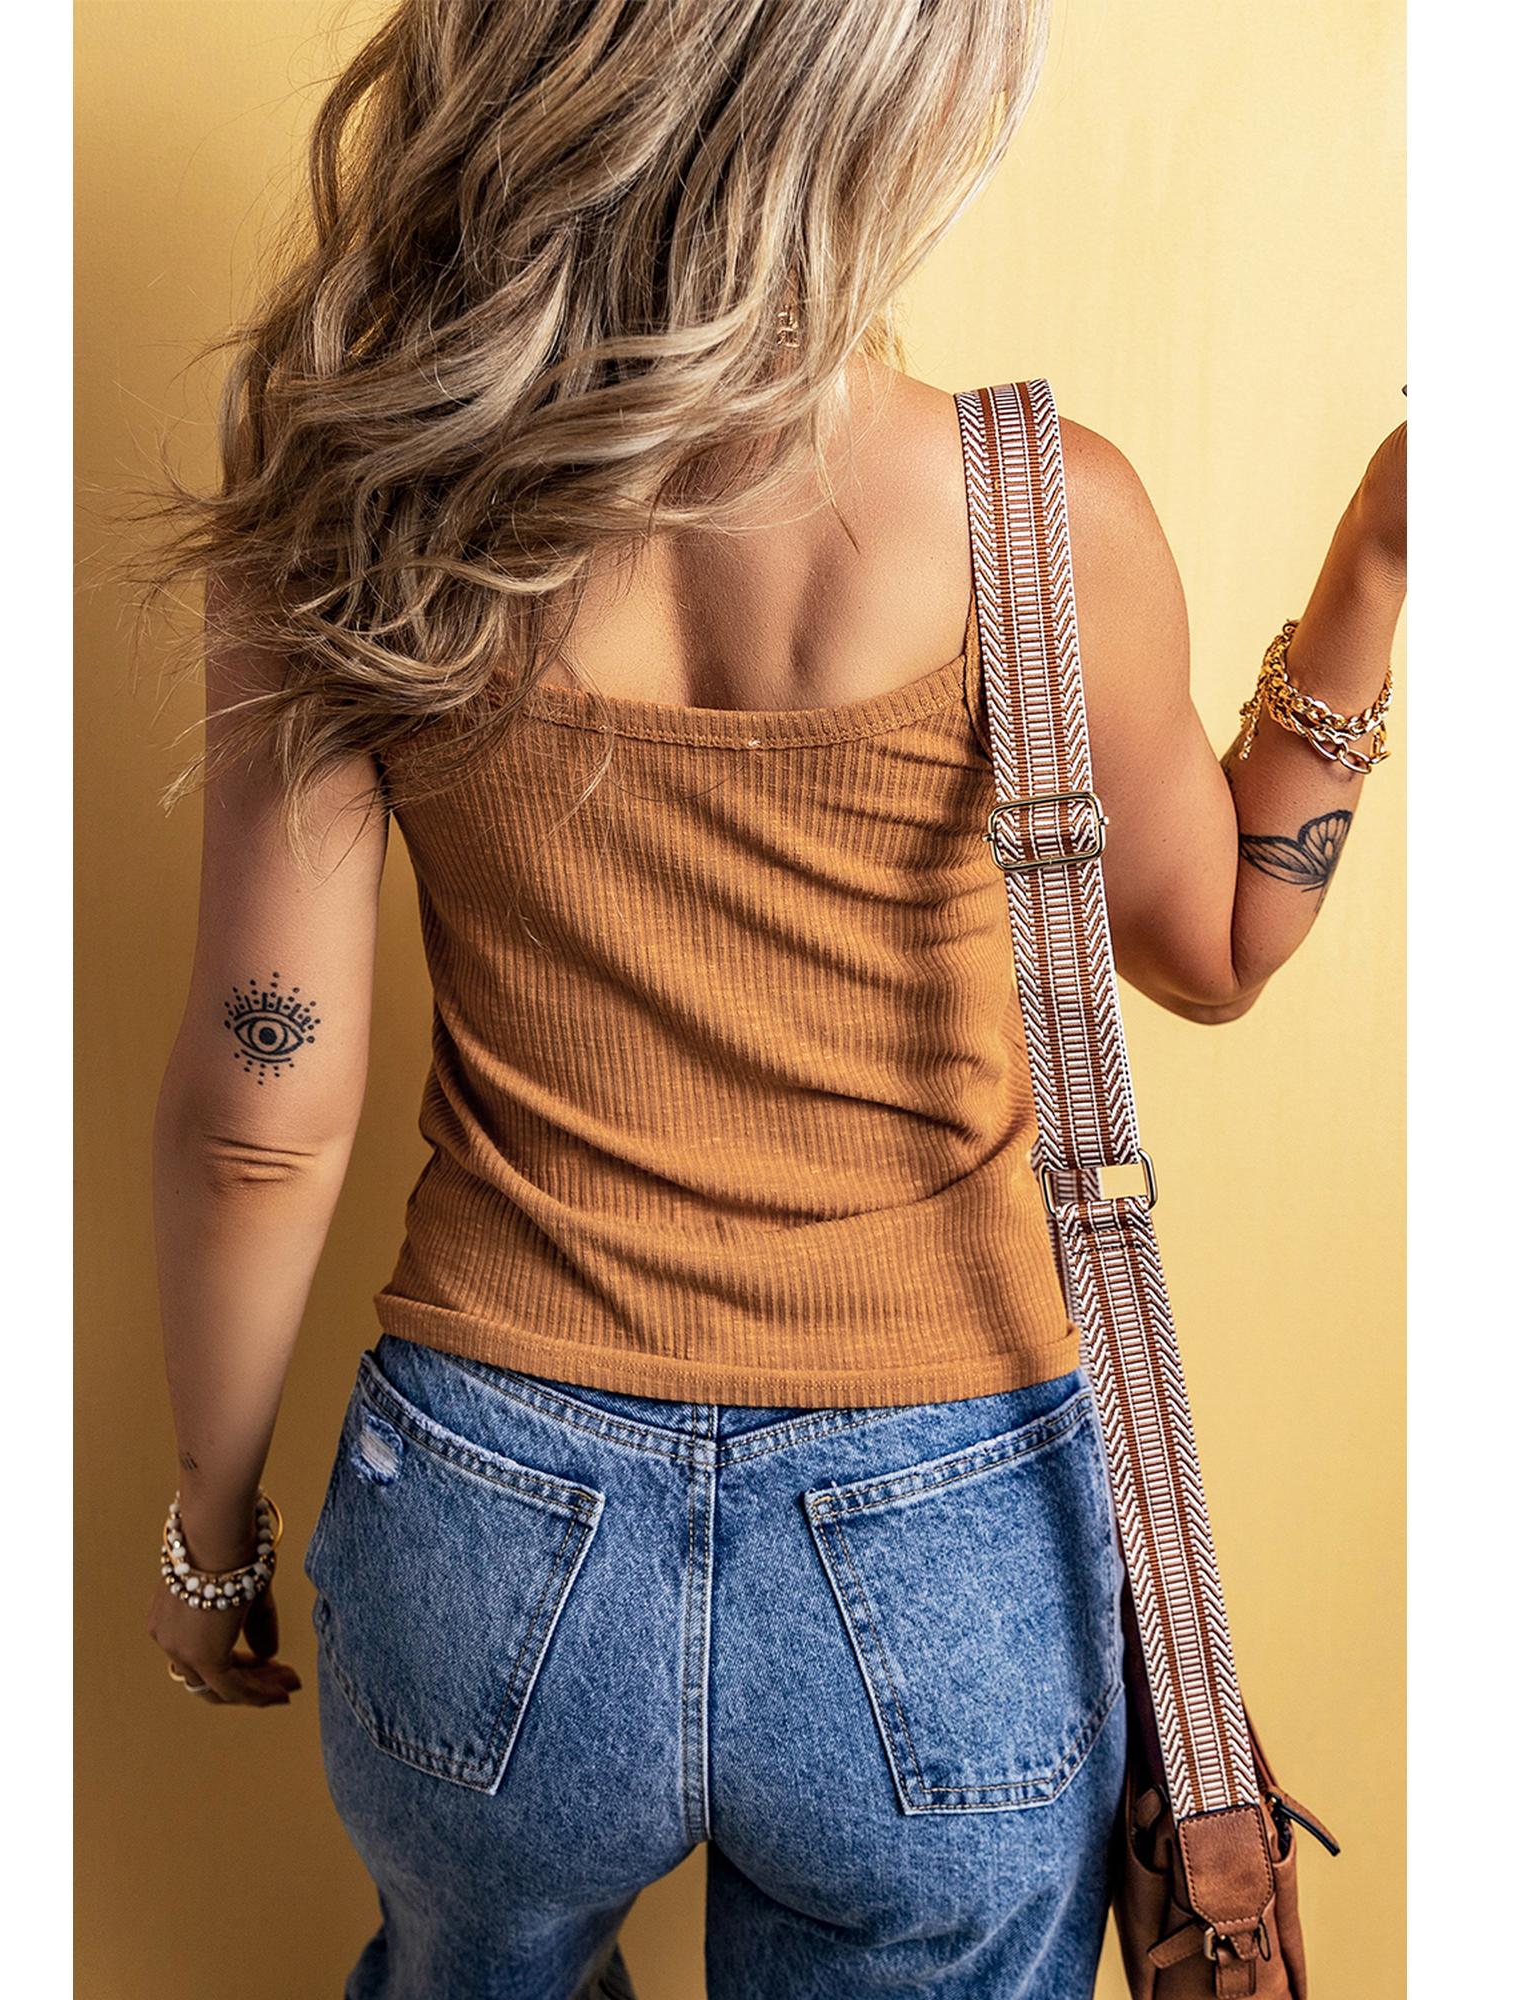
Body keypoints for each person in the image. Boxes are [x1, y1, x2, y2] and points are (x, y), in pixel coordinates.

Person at [140, 3, 1405, 1995]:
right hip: (946, 1529)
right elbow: (1217, 947)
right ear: (889, 105)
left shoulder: (361, 487)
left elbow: (257, 1114)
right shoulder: (1036, 512)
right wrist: (1375, 568)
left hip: (488, 1520)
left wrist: (209, 1535)